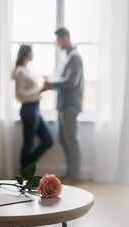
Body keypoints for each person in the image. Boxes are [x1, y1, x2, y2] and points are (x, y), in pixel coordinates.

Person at [44, 27, 84, 184]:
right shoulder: (68, 57)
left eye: (59, 39)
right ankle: (71, 173)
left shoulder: (74, 57)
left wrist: (51, 83)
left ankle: (75, 176)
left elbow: (70, 81)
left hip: (70, 106)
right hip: (64, 106)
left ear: (66, 38)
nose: (57, 43)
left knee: (71, 140)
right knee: (65, 140)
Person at [13, 45, 53, 173]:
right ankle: (25, 175)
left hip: (35, 109)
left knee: (48, 140)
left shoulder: (26, 70)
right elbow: (19, 95)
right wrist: (39, 90)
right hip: (28, 110)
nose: (33, 55)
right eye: (31, 52)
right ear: (26, 53)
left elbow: (30, 93)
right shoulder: (19, 71)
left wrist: (38, 94)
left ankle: (27, 167)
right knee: (28, 144)